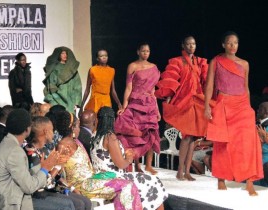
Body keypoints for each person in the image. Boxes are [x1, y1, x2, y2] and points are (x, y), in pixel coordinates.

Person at [204, 31, 263, 196]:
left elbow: (246, 86)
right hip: (224, 104)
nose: (232, 46)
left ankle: (249, 181)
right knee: (223, 143)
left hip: (243, 105)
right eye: (229, 43)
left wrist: (250, 108)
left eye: (235, 43)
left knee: (248, 143)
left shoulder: (244, 64)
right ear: (223, 44)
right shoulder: (216, 61)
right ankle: (221, 179)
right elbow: (209, 86)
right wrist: (207, 107)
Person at [56, 111, 143, 210]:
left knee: (127, 185)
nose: (79, 129)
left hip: (90, 180)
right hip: (81, 184)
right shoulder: (64, 145)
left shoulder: (75, 142)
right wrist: (72, 188)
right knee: (127, 186)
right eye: (78, 126)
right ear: (72, 127)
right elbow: (57, 174)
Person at [91, 107, 168, 210]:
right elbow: (121, 164)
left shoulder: (95, 137)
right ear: (112, 120)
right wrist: (129, 158)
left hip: (101, 177)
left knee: (147, 183)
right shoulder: (110, 137)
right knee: (153, 181)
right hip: (114, 178)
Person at [155, 36, 208, 180]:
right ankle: (180, 170)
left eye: (193, 44)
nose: (191, 46)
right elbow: (171, 81)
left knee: (192, 138)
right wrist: (169, 98)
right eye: (188, 44)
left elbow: (204, 81)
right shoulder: (177, 61)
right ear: (183, 45)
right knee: (186, 136)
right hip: (184, 102)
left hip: (197, 100)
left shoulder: (200, 62)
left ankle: (187, 171)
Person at [0, 109, 59, 210]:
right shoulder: (14, 151)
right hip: (9, 206)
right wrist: (45, 169)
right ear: (27, 129)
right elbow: (29, 187)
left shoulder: (8, 144)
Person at [25, 116, 91, 210]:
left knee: (85, 201)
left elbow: (56, 177)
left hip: (50, 190)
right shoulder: (32, 154)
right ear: (45, 132)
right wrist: (58, 166)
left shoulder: (44, 150)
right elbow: (41, 183)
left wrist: (71, 188)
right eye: (52, 129)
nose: (54, 132)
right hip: (37, 195)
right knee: (73, 204)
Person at [114, 42, 161, 174]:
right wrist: (124, 106)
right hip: (136, 103)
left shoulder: (154, 67)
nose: (146, 53)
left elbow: (153, 90)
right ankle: (137, 164)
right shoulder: (132, 66)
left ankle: (149, 165)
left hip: (150, 104)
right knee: (136, 134)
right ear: (138, 52)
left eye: (148, 51)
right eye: (143, 51)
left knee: (151, 133)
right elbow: (128, 87)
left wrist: (157, 109)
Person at [80, 49, 122, 116]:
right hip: (95, 99)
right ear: (97, 58)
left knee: (106, 121)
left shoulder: (111, 70)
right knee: (95, 122)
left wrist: (119, 103)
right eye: (101, 56)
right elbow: (87, 89)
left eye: (106, 55)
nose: (104, 57)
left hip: (106, 100)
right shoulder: (93, 70)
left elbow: (113, 90)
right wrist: (82, 105)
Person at [43, 47, 82, 113]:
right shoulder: (54, 69)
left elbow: (77, 86)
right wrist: (53, 100)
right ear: (58, 55)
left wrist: (76, 102)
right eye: (62, 53)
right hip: (56, 100)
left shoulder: (73, 70)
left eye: (66, 53)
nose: (65, 55)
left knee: (71, 120)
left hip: (70, 101)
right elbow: (51, 87)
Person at [256, 101, 268, 186]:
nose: (257, 111)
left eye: (260, 109)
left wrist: (265, 138)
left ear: (267, 112)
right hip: (256, 154)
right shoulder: (257, 124)